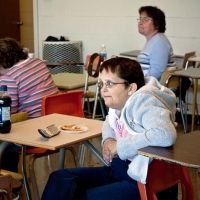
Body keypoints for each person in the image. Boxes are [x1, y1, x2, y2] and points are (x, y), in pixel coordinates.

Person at [41, 57, 177, 200]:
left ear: (131, 88)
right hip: (120, 171)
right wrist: (108, 140)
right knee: (60, 178)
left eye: (110, 84)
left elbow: (165, 134)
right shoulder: (119, 105)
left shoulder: (145, 102)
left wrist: (119, 146)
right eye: (102, 84)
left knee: (81, 196)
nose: (103, 89)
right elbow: (108, 122)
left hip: (144, 181)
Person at [0, 38, 58, 172]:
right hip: (54, 125)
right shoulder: (38, 63)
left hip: (33, 132)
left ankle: (9, 183)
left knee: (4, 137)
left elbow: (9, 113)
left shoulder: (9, 77)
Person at [0, 37, 58, 118]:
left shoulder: (9, 77)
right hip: (56, 114)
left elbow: (9, 111)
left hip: (33, 120)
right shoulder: (38, 62)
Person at [137, 6, 176, 81]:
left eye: (145, 19)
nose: (140, 23)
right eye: (140, 19)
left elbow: (156, 74)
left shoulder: (159, 43)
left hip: (153, 89)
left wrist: (137, 83)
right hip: (147, 86)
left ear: (157, 23)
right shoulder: (155, 40)